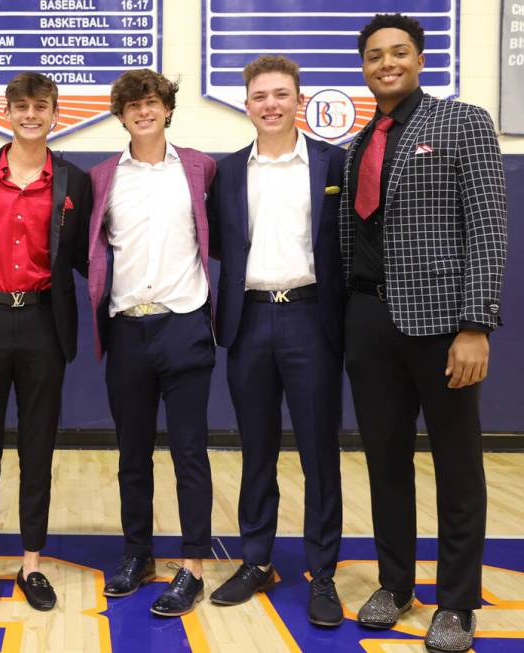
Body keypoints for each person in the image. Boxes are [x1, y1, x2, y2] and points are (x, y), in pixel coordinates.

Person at [343, 14, 506, 652]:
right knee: (385, 463)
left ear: (420, 59)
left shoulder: (462, 122)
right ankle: (396, 584)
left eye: (399, 53)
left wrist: (476, 324)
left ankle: (459, 604)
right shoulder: (359, 143)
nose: (386, 63)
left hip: (442, 327)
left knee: (458, 467)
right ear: (363, 66)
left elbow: (488, 227)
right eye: (375, 55)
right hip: (368, 322)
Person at [207, 56, 346, 627]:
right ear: (247, 104)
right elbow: (219, 243)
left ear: (298, 100)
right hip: (250, 319)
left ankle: (323, 572)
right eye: (260, 95)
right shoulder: (227, 171)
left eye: (281, 94)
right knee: (256, 451)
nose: (270, 104)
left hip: (311, 319)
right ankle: (256, 559)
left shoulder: (332, 161)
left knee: (319, 453)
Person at [0, 72, 93, 613]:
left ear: (56, 113)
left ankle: (32, 561)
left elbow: (86, 255)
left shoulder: (74, 182)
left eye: (41, 106)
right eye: (21, 106)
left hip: (42, 323)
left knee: (38, 450)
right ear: (6, 112)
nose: (30, 115)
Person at [87, 69, 216, 617]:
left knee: (190, 451)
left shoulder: (200, 167)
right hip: (127, 329)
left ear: (167, 109)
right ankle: (136, 553)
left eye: (152, 103)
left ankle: (192, 566)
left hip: (184, 323)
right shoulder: (100, 177)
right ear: (120, 115)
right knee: (132, 454)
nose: (143, 112)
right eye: (132, 105)